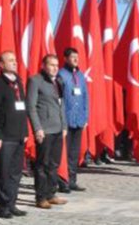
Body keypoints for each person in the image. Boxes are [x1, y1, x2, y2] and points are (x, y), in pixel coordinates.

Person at [0, 51, 29, 218]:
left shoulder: (18, 82)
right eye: (10, 60)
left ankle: (12, 204)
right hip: (4, 138)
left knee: (16, 173)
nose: (14, 63)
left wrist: (25, 131)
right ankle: (2, 207)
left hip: (18, 136)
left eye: (15, 60)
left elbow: (23, 108)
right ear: (1, 65)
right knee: (3, 174)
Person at [26, 54, 68, 209]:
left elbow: (62, 105)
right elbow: (31, 106)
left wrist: (64, 126)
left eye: (57, 65)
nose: (55, 68)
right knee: (42, 164)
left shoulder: (59, 81)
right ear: (43, 65)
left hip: (58, 129)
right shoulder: (35, 80)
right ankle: (40, 197)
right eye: (51, 64)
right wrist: (37, 128)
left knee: (54, 164)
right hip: (44, 130)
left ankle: (51, 193)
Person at [57, 48, 89, 193]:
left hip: (79, 120)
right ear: (65, 59)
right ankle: (63, 181)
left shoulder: (81, 76)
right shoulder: (61, 75)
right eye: (72, 57)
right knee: (65, 152)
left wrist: (85, 116)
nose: (76, 59)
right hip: (66, 119)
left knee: (75, 152)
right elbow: (59, 98)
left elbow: (85, 98)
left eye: (77, 57)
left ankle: (73, 180)